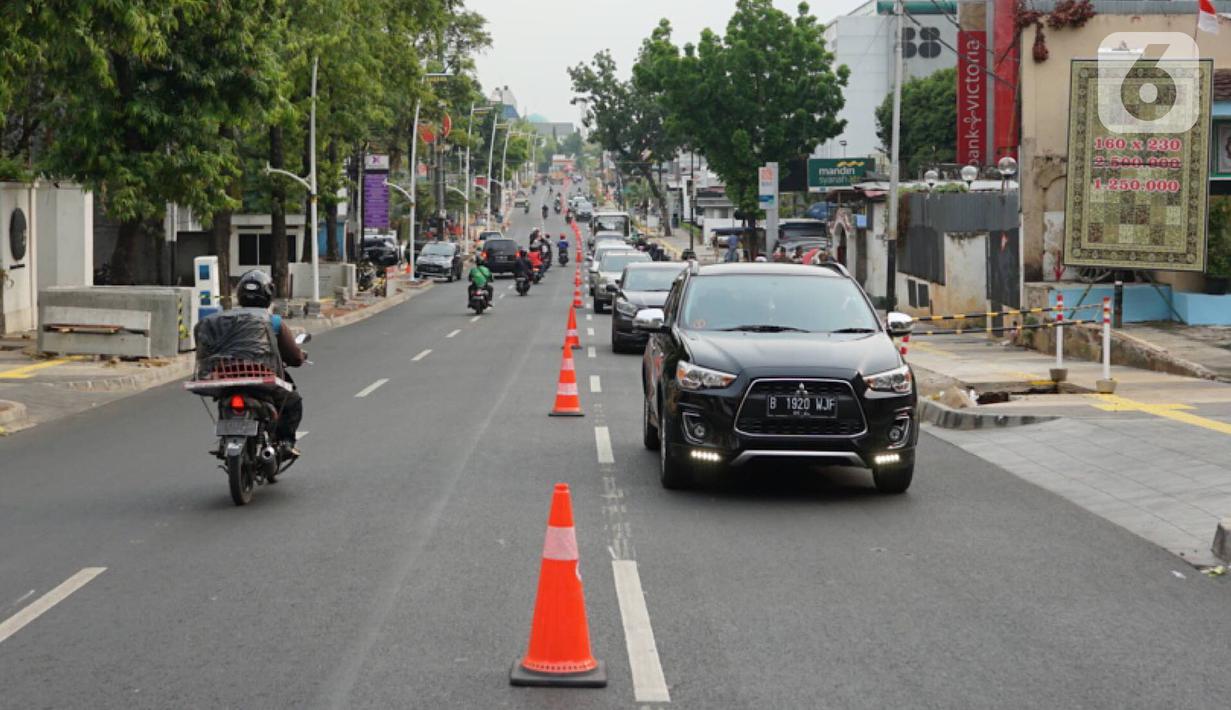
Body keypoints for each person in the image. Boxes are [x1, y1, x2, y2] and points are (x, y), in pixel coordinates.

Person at [232, 270, 306, 454]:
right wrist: (300, 357)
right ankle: (286, 442)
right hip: (264, 379)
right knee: (293, 402)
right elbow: (294, 357)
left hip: (229, 376)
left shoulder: (225, 320)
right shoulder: (273, 323)